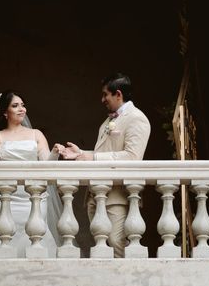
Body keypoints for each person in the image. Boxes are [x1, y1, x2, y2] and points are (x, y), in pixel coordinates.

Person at [56, 73, 150, 257]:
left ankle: (126, 284)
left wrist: (94, 158)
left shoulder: (137, 118)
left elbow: (132, 157)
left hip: (118, 196)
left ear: (118, 94)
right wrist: (82, 154)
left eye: (105, 94)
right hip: (97, 195)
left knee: (117, 243)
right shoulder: (107, 122)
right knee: (102, 247)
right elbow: (106, 152)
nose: (102, 99)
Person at [0, 90, 61, 258]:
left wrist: (55, 153)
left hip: (34, 196)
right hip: (7, 196)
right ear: (5, 112)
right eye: (15, 105)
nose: (21, 109)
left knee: (36, 233)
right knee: (5, 234)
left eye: (23, 105)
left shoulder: (36, 134)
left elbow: (47, 165)